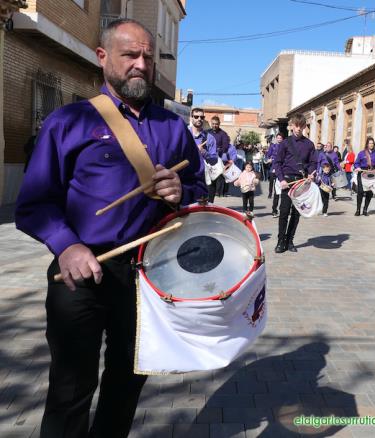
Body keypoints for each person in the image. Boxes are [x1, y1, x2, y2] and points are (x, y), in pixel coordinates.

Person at [14, 19, 206, 438]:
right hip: (80, 272)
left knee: (127, 380)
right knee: (70, 389)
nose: (141, 65)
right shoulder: (69, 121)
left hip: (148, 275)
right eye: (130, 55)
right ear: (103, 58)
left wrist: (180, 192)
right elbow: (34, 203)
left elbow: (198, 189)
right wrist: (66, 246)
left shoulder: (173, 127)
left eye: (148, 57)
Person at [272, 114, 317, 253]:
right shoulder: (285, 143)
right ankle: (280, 241)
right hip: (287, 180)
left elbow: (313, 162)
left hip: (301, 182)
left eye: (301, 126)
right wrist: (281, 179)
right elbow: (277, 163)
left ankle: (290, 241)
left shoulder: (309, 144)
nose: (298, 129)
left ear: (304, 127)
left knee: (296, 213)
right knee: (284, 212)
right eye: (296, 126)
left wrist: (311, 173)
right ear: (291, 126)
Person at [189, 107, 219, 202]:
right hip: (184, 176)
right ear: (191, 117)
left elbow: (214, 160)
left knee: (200, 207)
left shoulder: (209, 138)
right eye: (196, 116)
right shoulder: (184, 133)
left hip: (201, 179)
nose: (199, 119)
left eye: (201, 117)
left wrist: (203, 152)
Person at [353, 137, 375, 216]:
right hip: (362, 173)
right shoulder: (362, 153)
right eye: (370, 143)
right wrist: (357, 167)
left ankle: (365, 209)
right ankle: (358, 209)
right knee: (360, 192)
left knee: (369, 192)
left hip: (371, 174)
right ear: (367, 144)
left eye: (372, 143)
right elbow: (356, 163)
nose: (371, 145)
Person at [209, 115, 233, 197]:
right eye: (213, 124)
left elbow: (225, 146)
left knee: (219, 176)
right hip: (207, 158)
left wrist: (218, 151)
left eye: (216, 124)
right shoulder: (207, 132)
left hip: (219, 158)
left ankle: (218, 191)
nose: (214, 125)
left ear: (219, 124)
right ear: (211, 123)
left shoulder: (223, 134)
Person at [268, 133, 283, 217]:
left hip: (282, 171)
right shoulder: (273, 146)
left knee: (283, 193)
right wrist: (269, 159)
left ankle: (283, 209)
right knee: (276, 191)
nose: (279, 139)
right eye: (278, 138)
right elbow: (268, 155)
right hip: (274, 169)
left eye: (281, 138)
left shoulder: (284, 146)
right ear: (276, 138)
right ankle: (274, 210)